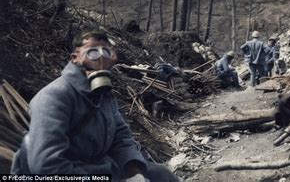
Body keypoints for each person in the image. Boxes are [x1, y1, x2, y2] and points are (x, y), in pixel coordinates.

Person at [11, 29, 180, 182]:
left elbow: (120, 136)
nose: (100, 58)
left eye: (106, 52)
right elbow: (46, 166)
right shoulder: (54, 97)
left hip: (99, 167)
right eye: (92, 52)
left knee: (162, 176)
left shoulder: (102, 94)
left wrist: (133, 172)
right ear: (75, 58)